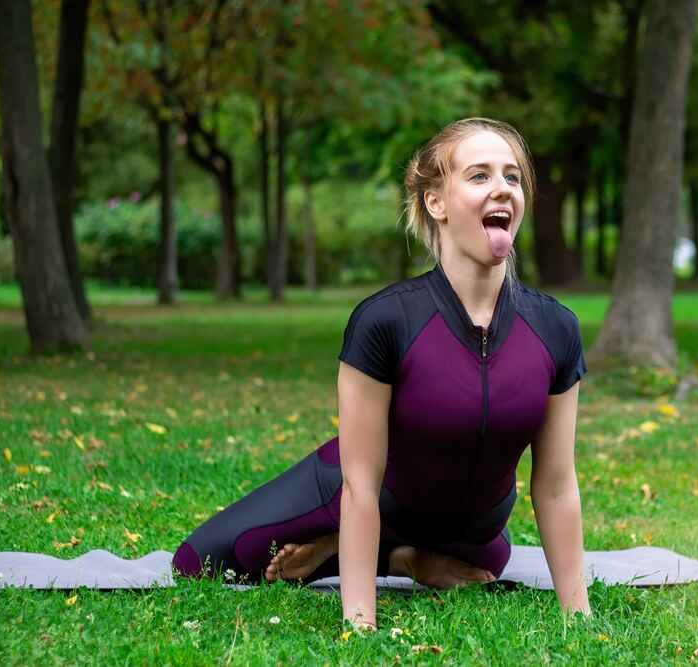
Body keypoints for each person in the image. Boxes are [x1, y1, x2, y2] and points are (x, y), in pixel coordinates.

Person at [172, 118, 591, 631]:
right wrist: (360, 620)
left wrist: (579, 616)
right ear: (436, 202)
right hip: (372, 494)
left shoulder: (556, 328)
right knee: (199, 562)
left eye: (512, 177)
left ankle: (409, 557)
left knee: (490, 564)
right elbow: (361, 486)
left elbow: (554, 487)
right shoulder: (387, 320)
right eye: (479, 176)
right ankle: (395, 555)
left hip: (476, 526)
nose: (502, 188)